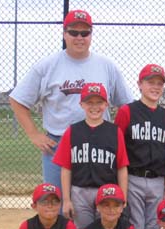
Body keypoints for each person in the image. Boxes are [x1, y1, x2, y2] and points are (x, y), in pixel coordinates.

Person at [9, 10, 133, 191]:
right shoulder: (47, 65)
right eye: (73, 32)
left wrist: (116, 137)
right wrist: (33, 134)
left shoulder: (106, 66)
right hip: (58, 143)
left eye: (85, 33)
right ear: (64, 34)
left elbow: (126, 105)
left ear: (91, 35)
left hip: (100, 145)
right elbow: (17, 99)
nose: (79, 37)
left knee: (100, 203)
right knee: (56, 201)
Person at [52, 83, 129, 229]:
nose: (94, 107)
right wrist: (66, 199)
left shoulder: (114, 131)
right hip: (80, 191)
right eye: (89, 102)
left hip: (108, 191)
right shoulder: (72, 131)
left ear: (106, 104)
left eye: (99, 102)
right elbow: (66, 168)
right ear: (81, 104)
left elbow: (122, 167)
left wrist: (123, 197)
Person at [114, 64, 165, 229]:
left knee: (154, 227)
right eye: (150, 82)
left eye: (159, 83)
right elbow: (118, 147)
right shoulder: (127, 111)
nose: (155, 87)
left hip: (157, 179)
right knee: (136, 226)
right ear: (139, 84)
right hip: (134, 178)